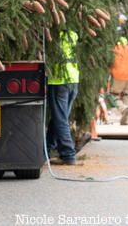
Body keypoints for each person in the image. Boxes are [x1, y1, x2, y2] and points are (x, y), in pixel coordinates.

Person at [47, 29, 80, 165]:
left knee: (60, 120)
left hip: (58, 81)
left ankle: (68, 154)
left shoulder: (53, 36)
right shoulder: (73, 33)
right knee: (59, 118)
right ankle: (46, 150)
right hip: (73, 79)